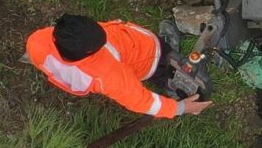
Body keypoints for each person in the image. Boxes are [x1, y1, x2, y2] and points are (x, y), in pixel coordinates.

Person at [26, 14, 211, 118]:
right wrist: (180, 108)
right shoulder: (108, 75)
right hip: (150, 58)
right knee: (164, 66)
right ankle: (167, 71)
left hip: (130, 48)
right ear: (87, 53)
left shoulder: (37, 42)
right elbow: (142, 101)